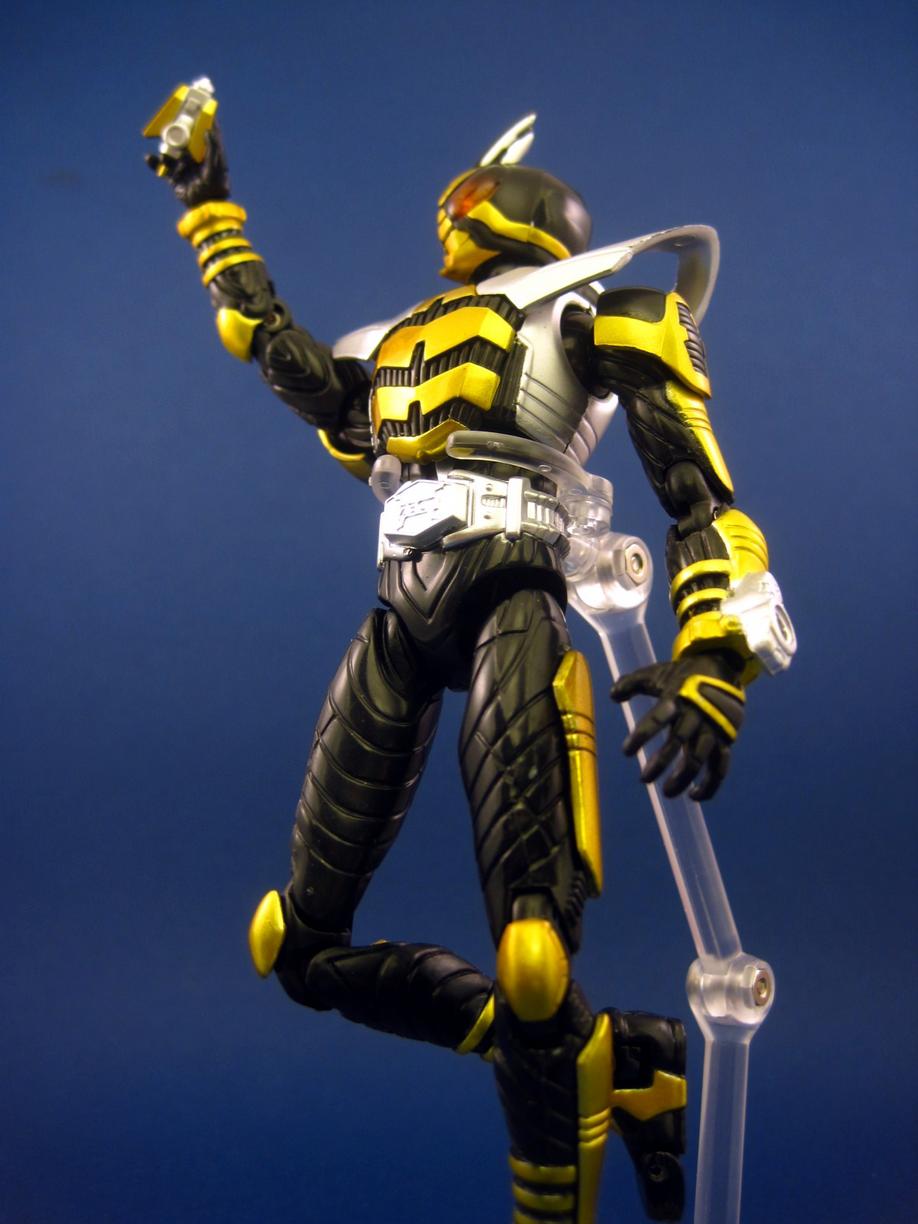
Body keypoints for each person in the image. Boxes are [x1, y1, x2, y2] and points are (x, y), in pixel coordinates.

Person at [145, 89, 794, 1223]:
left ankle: (554, 1157)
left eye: (473, 194)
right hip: (401, 614)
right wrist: (211, 212)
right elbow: (290, 359)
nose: (450, 210)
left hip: (514, 599)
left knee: (534, 959)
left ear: (522, 208)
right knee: (294, 947)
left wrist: (716, 657)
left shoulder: (601, 315)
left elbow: (701, 499)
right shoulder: (398, 343)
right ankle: (610, 1059)